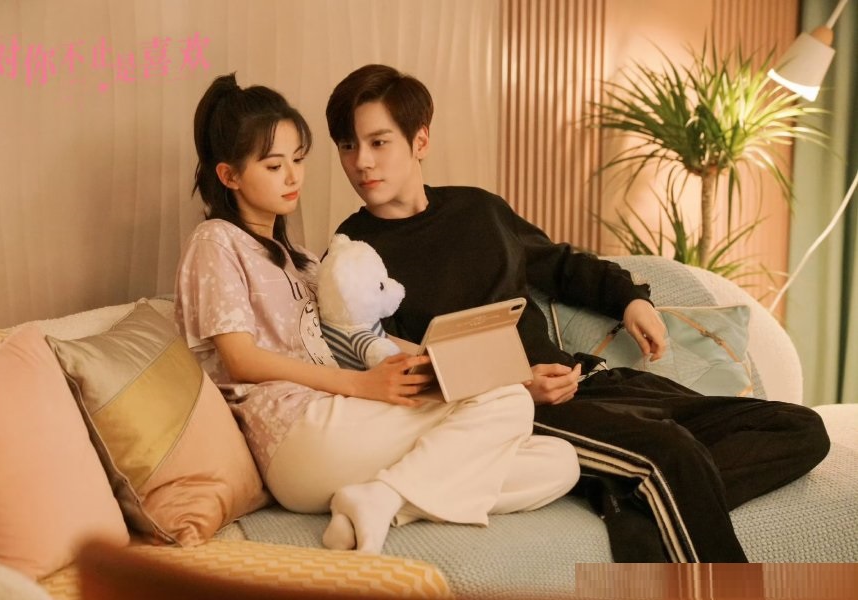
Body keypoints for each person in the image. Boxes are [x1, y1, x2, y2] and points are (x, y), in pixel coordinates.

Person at [325, 63, 832, 562]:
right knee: (672, 454)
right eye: (347, 146)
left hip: (591, 381)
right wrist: (516, 388)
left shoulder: (479, 210)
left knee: (799, 427)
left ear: (420, 141)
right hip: (522, 412)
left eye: (378, 142)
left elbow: (561, 264)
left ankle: (635, 505)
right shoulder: (351, 258)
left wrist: (630, 299)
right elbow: (392, 365)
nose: (361, 162)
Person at [173, 73, 580, 555]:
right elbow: (240, 360)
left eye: (299, 160)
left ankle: (381, 500)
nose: (293, 177)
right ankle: (387, 497)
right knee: (507, 402)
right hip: (294, 436)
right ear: (230, 176)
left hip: (344, 429)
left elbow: (356, 335)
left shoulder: (303, 260)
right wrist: (361, 385)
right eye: (274, 165)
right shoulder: (216, 241)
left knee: (557, 461)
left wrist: (442, 365)